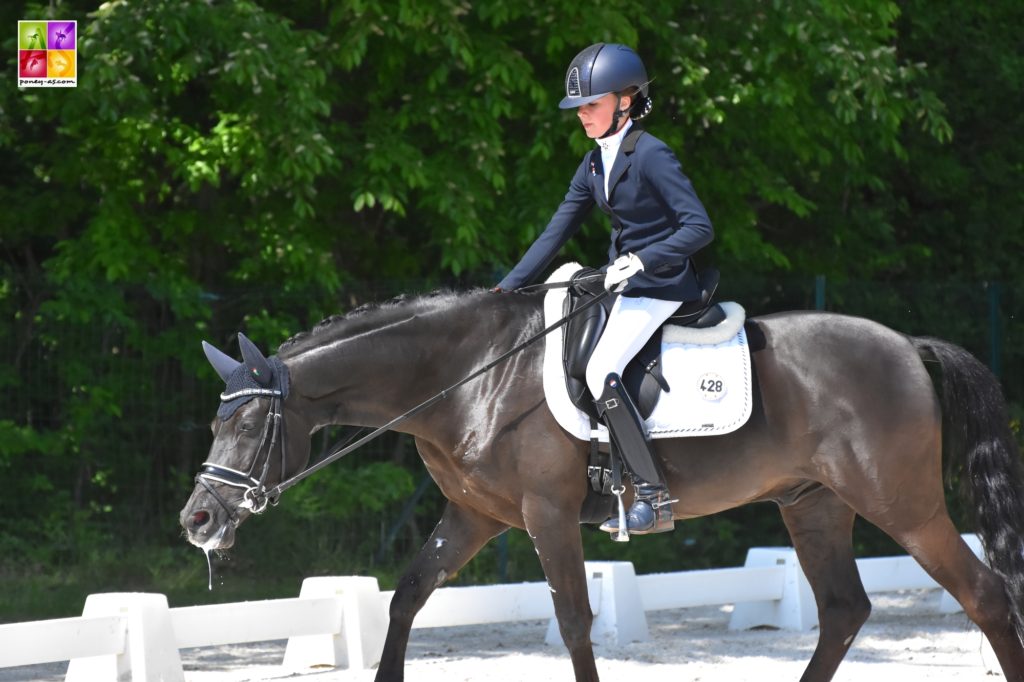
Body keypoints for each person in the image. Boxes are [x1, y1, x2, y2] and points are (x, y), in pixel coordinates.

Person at [494, 43, 714, 535]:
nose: (583, 116)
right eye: (579, 109)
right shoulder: (594, 164)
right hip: (623, 284)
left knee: (600, 368)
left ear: (626, 101)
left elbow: (698, 227)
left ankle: (654, 497)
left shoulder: (652, 154)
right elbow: (557, 231)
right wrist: (506, 290)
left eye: (591, 105)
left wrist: (643, 259)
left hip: (661, 284)